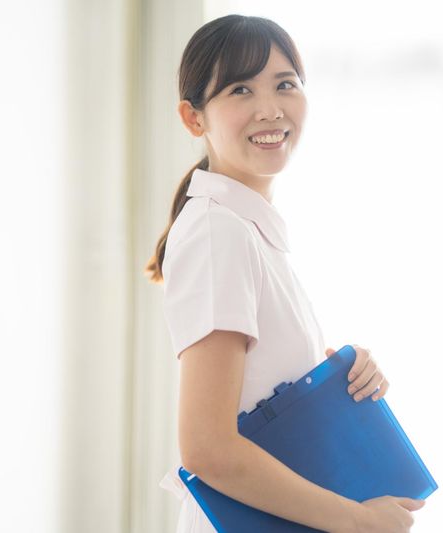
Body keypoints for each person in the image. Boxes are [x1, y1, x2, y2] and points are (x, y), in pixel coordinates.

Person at [143, 14, 426, 533]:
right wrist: (359, 522)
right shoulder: (218, 232)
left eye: (285, 84)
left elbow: (257, 392)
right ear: (193, 118)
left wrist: (337, 376)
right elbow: (208, 448)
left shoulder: (245, 228)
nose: (270, 109)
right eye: (240, 89)